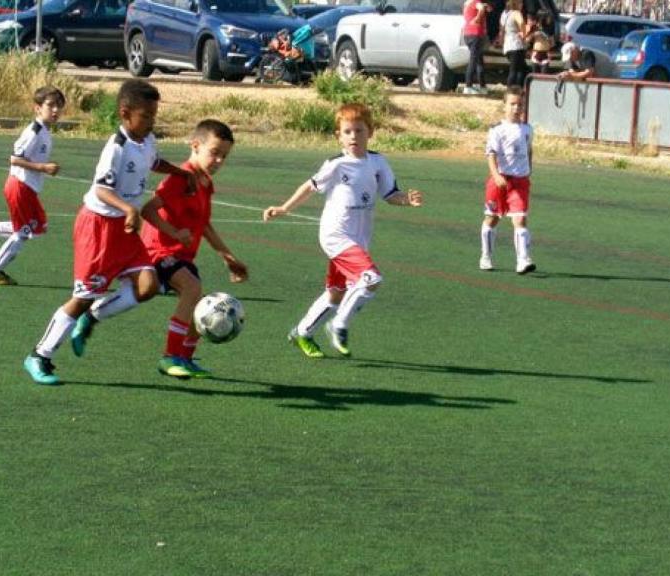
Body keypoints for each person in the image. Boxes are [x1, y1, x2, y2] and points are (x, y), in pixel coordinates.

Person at [22, 79, 195, 385]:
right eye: (146, 116)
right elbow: (101, 190)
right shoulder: (115, 148)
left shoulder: (147, 139)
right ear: (125, 113)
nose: (151, 122)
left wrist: (180, 172)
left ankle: (92, 319)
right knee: (83, 297)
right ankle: (40, 355)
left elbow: (153, 161)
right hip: (98, 227)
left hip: (123, 228)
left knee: (148, 286)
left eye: (154, 116)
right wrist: (129, 209)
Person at [262, 103, 423, 359]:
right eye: (347, 131)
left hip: (358, 238)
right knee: (372, 278)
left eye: (359, 131)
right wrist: (284, 207)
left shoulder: (378, 162)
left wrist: (407, 200)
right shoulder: (336, 164)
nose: (353, 137)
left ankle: (302, 332)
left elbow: (390, 194)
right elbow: (310, 186)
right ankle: (339, 325)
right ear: (338, 135)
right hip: (335, 235)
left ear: (370, 132)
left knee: (336, 293)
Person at [140, 119, 249, 379]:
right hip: (159, 252)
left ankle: (186, 359)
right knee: (193, 289)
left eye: (224, 156)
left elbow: (204, 225)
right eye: (214, 153)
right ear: (195, 145)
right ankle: (169, 357)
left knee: (199, 305)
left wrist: (228, 257)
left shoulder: (205, 183)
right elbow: (148, 209)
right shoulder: (180, 179)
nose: (219, 161)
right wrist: (174, 233)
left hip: (182, 255)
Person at [0, 85, 65, 286]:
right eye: (50, 105)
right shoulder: (34, 131)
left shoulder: (45, 132)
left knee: (39, 226)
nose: (56, 110)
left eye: (59, 106)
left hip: (27, 188)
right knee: (23, 232)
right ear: (37, 108)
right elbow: (14, 159)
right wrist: (43, 167)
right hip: (20, 186)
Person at [479, 87, 536, 275]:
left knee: (520, 219)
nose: (516, 108)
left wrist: (528, 172)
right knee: (492, 218)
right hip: (499, 181)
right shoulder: (497, 129)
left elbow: (529, 151)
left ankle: (523, 260)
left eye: (520, 104)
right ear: (505, 105)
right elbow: (490, 154)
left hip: (519, 182)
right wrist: (496, 176)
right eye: (512, 104)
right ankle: (486, 256)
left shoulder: (527, 129)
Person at [462, 0, 490, 94]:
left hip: (467, 34)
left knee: (479, 61)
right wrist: (478, 18)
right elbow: (481, 8)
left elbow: (484, 8)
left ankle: (482, 86)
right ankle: (468, 86)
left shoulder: (467, 3)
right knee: (474, 60)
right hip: (475, 34)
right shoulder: (476, 2)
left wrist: (484, 7)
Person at [499, 0, 528, 87]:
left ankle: (511, 90)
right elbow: (522, 22)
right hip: (516, 44)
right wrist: (524, 33)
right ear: (516, 3)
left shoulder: (504, 14)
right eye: (521, 3)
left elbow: (501, 28)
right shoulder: (516, 13)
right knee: (518, 71)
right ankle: (515, 91)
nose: (522, 5)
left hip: (507, 44)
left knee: (514, 69)